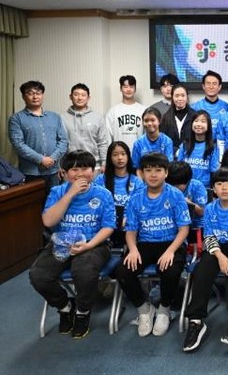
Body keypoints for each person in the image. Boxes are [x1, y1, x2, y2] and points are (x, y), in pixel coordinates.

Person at [29, 150, 116, 339]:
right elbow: (48, 221)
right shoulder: (57, 192)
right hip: (62, 241)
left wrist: (89, 245)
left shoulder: (103, 194)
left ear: (93, 171)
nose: (80, 174)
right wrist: (70, 194)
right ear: (65, 173)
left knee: (83, 272)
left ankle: (83, 311)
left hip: (94, 243)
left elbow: (108, 226)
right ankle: (65, 306)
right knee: (38, 276)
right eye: (74, 169)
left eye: (85, 168)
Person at [114, 152, 191, 337]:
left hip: (172, 242)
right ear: (141, 173)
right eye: (148, 170)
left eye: (158, 170)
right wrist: (132, 250)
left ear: (166, 173)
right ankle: (144, 310)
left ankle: (164, 310)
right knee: (123, 271)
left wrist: (170, 251)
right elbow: (131, 231)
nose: (153, 174)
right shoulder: (135, 198)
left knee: (170, 270)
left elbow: (184, 230)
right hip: (144, 243)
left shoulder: (175, 195)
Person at [182, 167, 228, 352]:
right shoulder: (210, 209)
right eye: (220, 184)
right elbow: (209, 236)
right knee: (202, 271)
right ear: (213, 188)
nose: (224, 188)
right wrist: (220, 255)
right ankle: (196, 321)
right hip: (216, 249)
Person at [9, 80, 68, 190]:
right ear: (23, 96)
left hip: (53, 171)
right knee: (33, 200)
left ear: (42, 95)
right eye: (30, 93)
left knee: (55, 199)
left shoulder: (54, 116)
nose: (35, 97)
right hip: (30, 172)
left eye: (38, 93)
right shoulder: (16, 118)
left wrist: (52, 159)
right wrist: (41, 159)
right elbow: (18, 144)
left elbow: (63, 141)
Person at [94, 141, 144, 248]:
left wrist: (126, 219)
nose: (120, 158)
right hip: (105, 224)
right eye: (115, 155)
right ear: (110, 158)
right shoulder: (100, 180)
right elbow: (95, 205)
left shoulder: (137, 182)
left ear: (128, 156)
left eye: (123, 154)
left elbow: (140, 207)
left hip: (129, 225)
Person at [61, 83, 109, 171]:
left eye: (83, 95)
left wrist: (104, 163)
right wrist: (60, 166)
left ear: (88, 98)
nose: (79, 98)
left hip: (93, 165)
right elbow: (60, 143)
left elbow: (102, 142)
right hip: (70, 165)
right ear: (70, 97)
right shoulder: (62, 118)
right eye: (76, 94)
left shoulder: (97, 118)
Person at [177, 110, 219, 189]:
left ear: (208, 126)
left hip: (204, 188)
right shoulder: (185, 145)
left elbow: (214, 171)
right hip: (186, 187)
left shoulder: (212, 147)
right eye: (196, 121)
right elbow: (179, 168)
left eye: (203, 121)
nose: (199, 124)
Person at [105, 75, 145, 150]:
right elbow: (108, 138)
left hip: (139, 153)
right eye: (125, 87)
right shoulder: (112, 112)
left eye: (131, 87)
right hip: (119, 153)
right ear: (121, 89)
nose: (128, 90)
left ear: (135, 89)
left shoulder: (143, 110)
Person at [131, 107, 174, 175]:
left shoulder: (167, 141)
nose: (149, 123)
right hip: (143, 179)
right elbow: (137, 168)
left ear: (159, 121)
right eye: (146, 121)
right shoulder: (138, 143)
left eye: (153, 120)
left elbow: (168, 166)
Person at [167, 161, 208, 229]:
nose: (174, 188)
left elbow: (202, 212)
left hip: (196, 225)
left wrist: (187, 202)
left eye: (177, 185)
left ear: (188, 181)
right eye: (171, 185)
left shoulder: (197, 186)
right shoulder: (165, 187)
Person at [160, 84, 194, 155]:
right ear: (172, 97)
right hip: (171, 156)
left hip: (190, 155)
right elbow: (163, 140)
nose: (180, 99)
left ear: (187, 97)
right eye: (177, 96)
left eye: (183, 95)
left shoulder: (194, 116)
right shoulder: (165, 117)